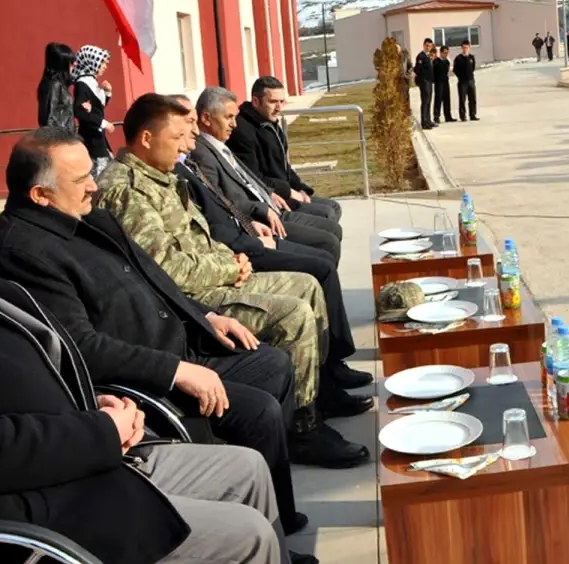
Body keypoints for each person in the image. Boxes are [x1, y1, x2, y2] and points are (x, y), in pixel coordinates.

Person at [0, 220, 300, 564]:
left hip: (86, 450)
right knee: (250, 534)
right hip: (47, 504)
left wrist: (87, 403)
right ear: (42, 193)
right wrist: (101, 431)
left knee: (249, 467)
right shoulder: (22, 252)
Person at [95, 95, 337, 424]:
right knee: (292, 314)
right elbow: (164, 271)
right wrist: (229, 267)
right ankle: (303, 426)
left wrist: (232, 257)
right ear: (147, 138)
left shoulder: (160, 176)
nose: (185, 147)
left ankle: (318, 393)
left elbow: (199, 237)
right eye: (177, 138)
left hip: (213, 279)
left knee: (308, 285)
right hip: (190, 302)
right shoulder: (127, 190)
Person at [171, 95, 372, 407]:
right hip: (233, 257)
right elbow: (210, 228)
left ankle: (329, 371)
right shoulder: (189, 163)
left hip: (246, 236)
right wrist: (247, 239)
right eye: (184, 129)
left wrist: (264, 209)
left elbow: (237, 191)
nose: (191, 137)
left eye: (192, 126)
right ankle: (314, 403)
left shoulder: (189, 162)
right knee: (319, 267)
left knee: (323, 246)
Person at [190, 87, 343, 262]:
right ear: (206, 118)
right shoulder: (202, 153)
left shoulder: (220, 144)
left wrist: (271, 193)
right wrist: (262, 209)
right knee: (328, 242)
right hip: (258, 220)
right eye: (229, 117)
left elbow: (249, 179)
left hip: (271, 206)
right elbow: (220, 200)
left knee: (330, 225)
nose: (234, 124)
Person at [228, 77, 343, 223]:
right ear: (256, 101)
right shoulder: (243, 131)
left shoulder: (270, 123)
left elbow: (283, 166)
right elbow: (251, 176)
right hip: (270, 199)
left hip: (285, 192)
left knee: (334, 207)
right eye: (273, 102)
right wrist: (289, 192)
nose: (279, 108)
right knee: (326, 214)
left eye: (282, 102)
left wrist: (301, 189)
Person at [73, 44, 115, 176]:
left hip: (98, 137)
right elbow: (79, 111)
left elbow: (97, 109)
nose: (105, 66)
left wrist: (107, 93)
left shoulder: (92, 81)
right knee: (100, 176)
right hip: (91, 139)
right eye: (102, 62)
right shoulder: (83, 83)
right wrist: (103, 123)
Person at [37, 42, 75, 131]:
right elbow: (50, 118)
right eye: (70, 63)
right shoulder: (55, 86)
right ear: (62, 65)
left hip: (65, 138)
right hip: (60, 140)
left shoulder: (57, 84)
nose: (74, 65)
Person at [411, 38, 435, 129]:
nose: (428, 47)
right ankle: (424, 122)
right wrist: (423, 78)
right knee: (425, 101)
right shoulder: (421, 56)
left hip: (429, 81)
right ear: (424, 45)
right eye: (427, 46)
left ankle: (428, 120)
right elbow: (417, 69)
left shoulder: (428, 56)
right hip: (424, 82)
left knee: (429, 101)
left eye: (430, 46)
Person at [453, 41, 479, 121]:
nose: (465, 49)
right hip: (462, 82)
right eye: (464, 48)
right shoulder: (458, 58)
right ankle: (463, 116)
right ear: (461, 48)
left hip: (471, 81)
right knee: (462, 99)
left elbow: (473, 68)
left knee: (472, 98)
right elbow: (455, 70)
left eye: (467, 47)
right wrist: (461, 77)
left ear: (469, 48)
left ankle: (473, 114)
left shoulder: (471, 57)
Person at [432, 45, 455, 124]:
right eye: (445, 53)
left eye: (447, 53)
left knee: (447, 99)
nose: (446, 54)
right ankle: (436, 116)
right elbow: (433, 73)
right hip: (438, 83)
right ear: (441, 52)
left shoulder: (447, 62)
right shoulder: (436, 61)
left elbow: (447, 71)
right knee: (438, 99)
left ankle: (448, 116)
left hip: (445, 82)